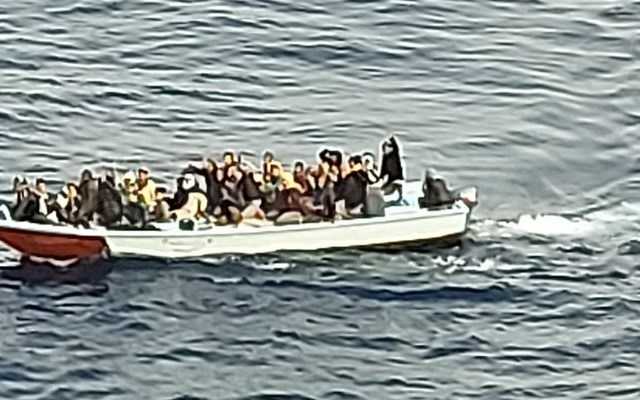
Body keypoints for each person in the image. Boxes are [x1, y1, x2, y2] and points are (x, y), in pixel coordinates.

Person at [379, 136, 405, 203]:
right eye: (385, 148)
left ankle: (400, 197)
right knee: (380, 191)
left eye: (388, 147)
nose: (386, 150)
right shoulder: (385, 157)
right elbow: (383, 170)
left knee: (397, 185)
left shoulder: (395, 155)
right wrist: (381, 178)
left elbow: (396, 148)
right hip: (390, 179)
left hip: (397, 179)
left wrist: (392, 139)